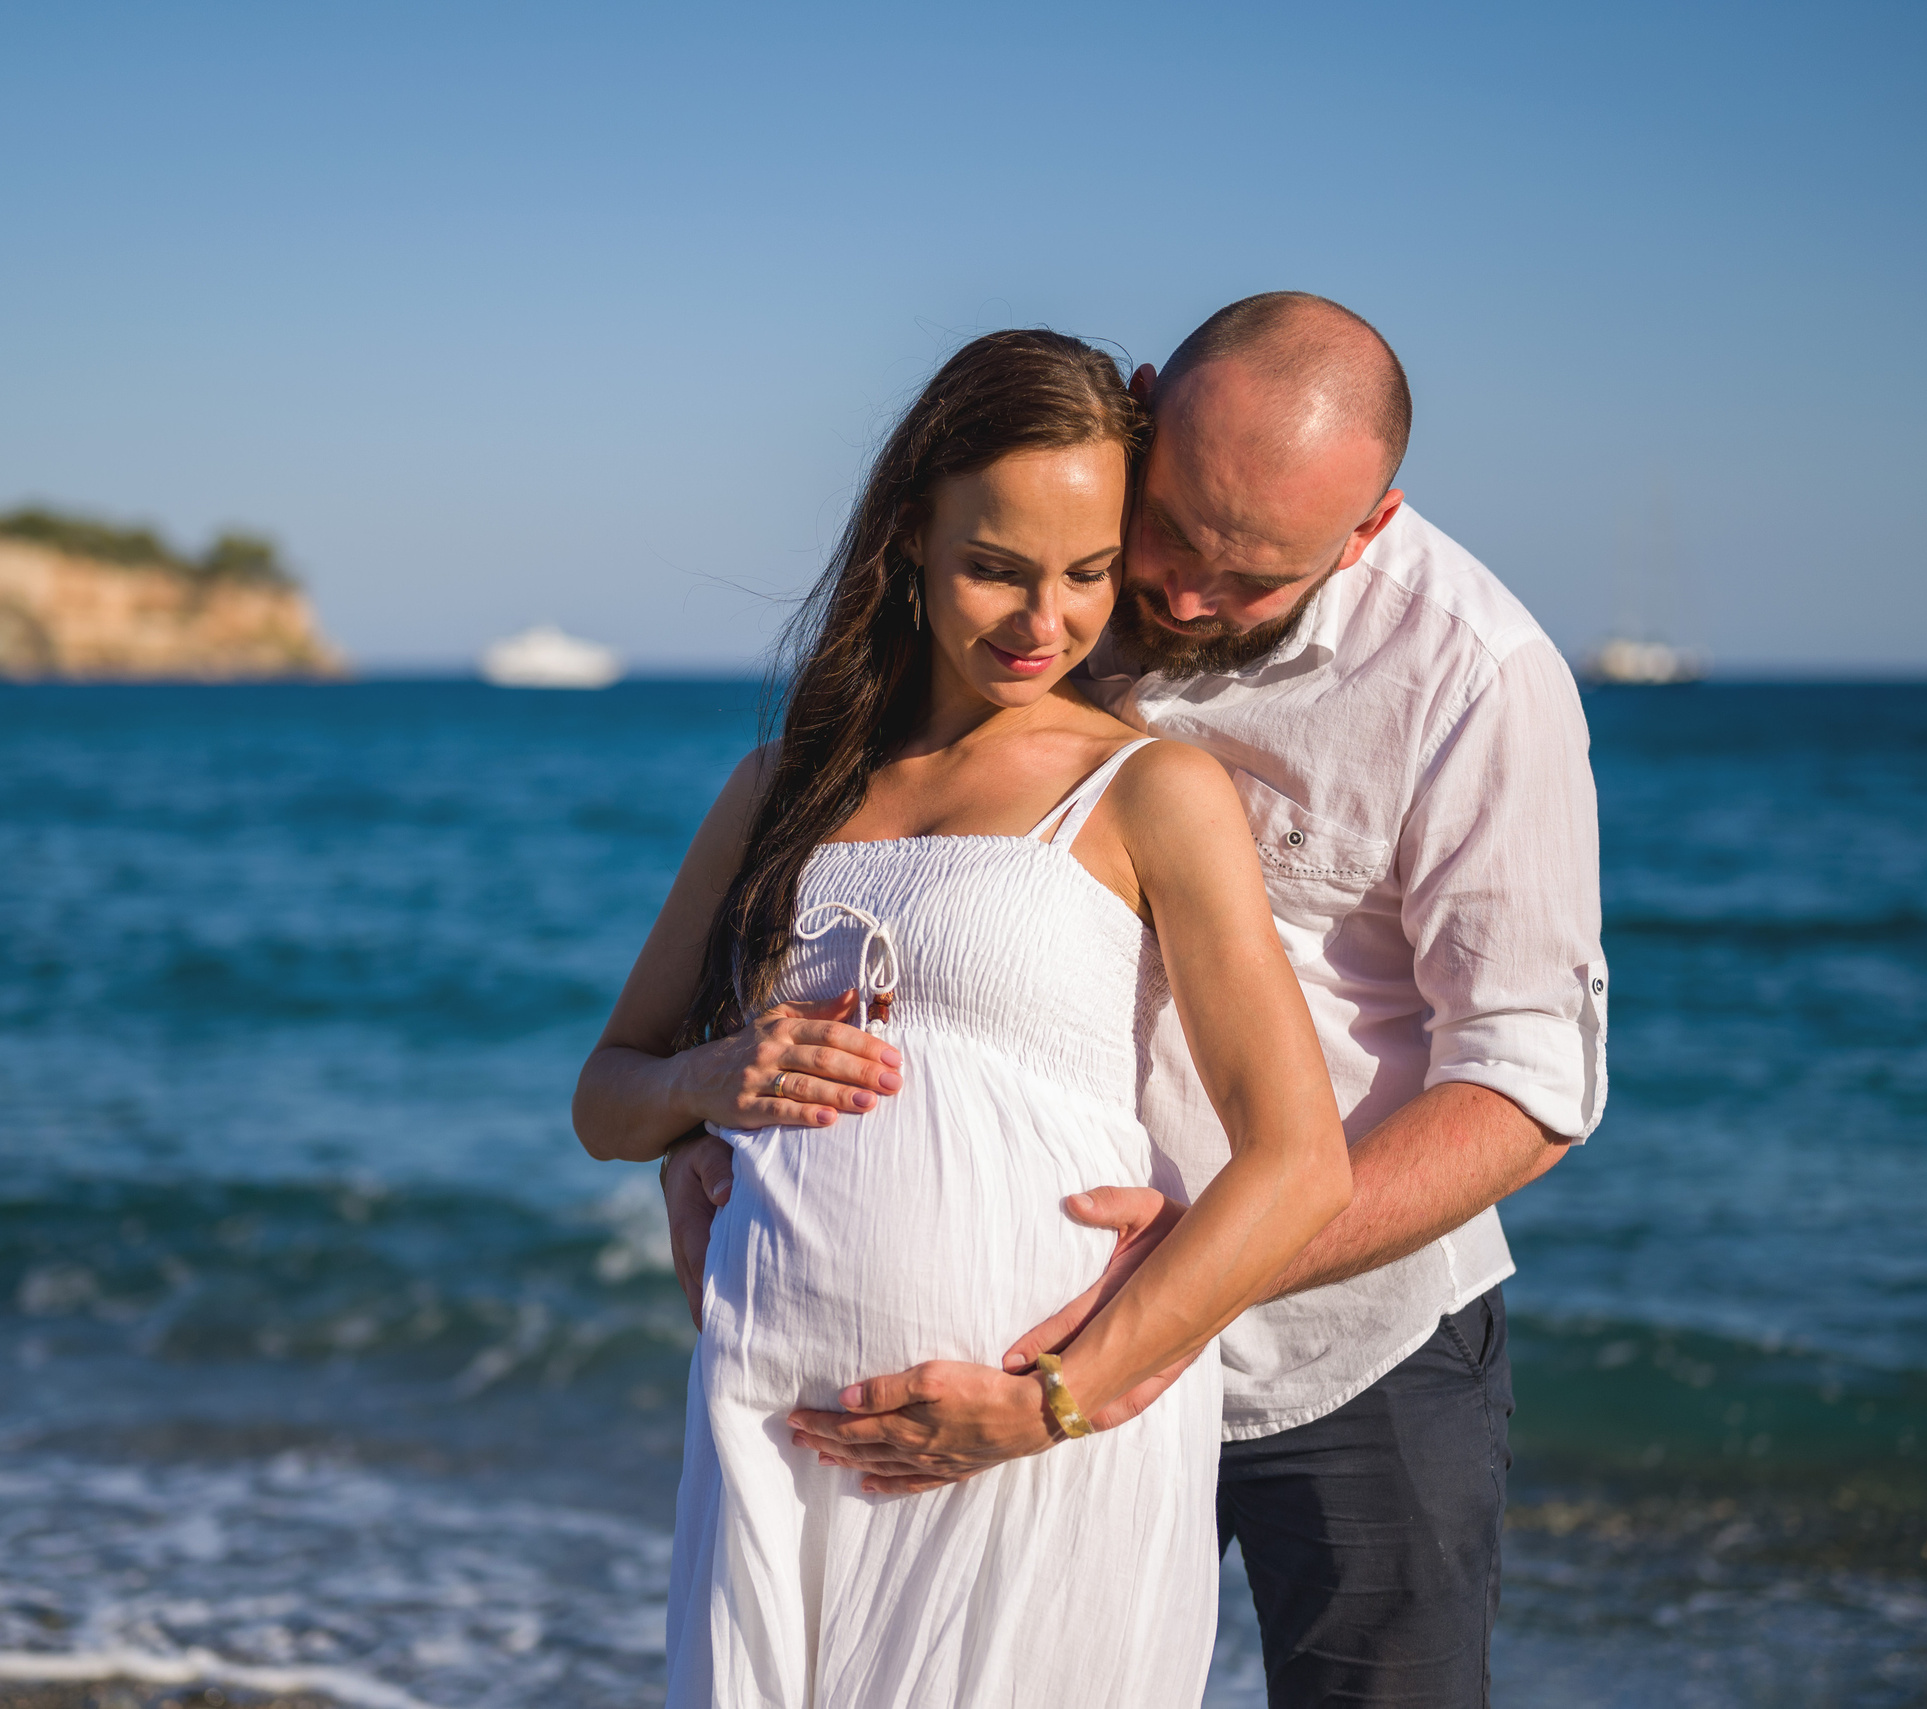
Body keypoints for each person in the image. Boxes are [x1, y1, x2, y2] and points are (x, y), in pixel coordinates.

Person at [667, 294, 1609, 1707]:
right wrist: (708, 1128)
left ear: (1366, 528)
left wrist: (1173, 1288)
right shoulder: (1059, 567)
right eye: (1167, 542)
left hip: (1346, 1361)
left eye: (1253, 579)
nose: (1179, 601)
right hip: (986, 1376)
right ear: (1150, 411)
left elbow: (1531, 1086)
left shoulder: (1476, 676)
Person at [573, 329, 1354, 1708]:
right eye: (996, 564)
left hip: (1030, 1447)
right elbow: (608, 1097)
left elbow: (1298, 1160)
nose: (1041, 620)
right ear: (912, 540)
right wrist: (713, 1074)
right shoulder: (782, 788)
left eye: (1089, 573)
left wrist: (1048, 1399)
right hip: (777, 1426)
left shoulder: (1152, 793)